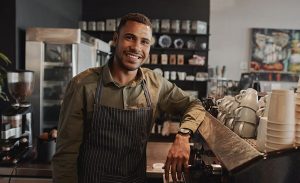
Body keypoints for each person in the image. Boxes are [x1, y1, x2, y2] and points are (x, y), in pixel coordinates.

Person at [52, 12, 206, 183]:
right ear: (116, 39)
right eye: (130, 38)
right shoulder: (82, 85)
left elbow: (195, 104)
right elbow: (66, 154)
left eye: (144, 42)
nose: (136, 47)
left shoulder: (155, 83)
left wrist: (183, 136)